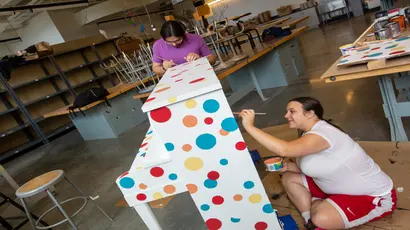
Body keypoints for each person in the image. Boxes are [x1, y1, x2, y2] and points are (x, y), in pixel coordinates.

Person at [239, 97, 396, 230]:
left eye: (292, 111)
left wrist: (249, 127)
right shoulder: (309, 133)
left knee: (322, 218)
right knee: (288, 177)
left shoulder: (323, 134)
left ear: (310, 113)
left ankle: (319, 211)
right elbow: (315, 164)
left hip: (372, 196)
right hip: (336, 188)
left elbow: (284, 150)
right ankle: (309, 219)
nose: (286, 115)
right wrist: (289, 167)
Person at [152, 21, 216, 76]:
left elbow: (213, 59)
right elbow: (155, 69)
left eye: (178, 40)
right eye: (169, 42)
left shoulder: (196, 39)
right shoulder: (158, 45)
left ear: (184, 34)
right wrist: (164, 68)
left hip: (200, 75)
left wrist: (200, 59)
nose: (174, 44)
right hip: (175, 81)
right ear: (163, 38)